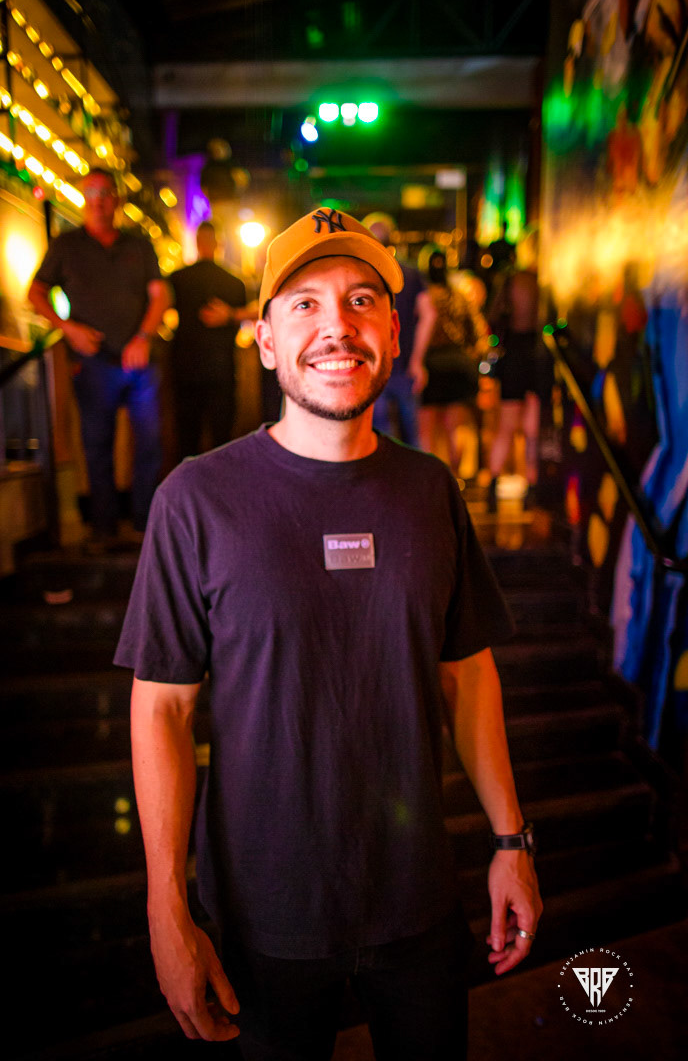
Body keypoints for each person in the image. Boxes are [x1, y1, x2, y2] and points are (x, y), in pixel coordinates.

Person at [115, 207, 542, 1060]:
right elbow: (161, 709)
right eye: (304, 304)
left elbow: (468, 673)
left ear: (393, 331)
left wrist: (511, 840)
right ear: (266, 341)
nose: (336, 327)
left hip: (418, 899)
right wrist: (167, 906)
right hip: (264, 916)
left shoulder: (430, 489)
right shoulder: (196, 500)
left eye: (360, 300)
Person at [29, 168, 171, 551]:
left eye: (105, 192)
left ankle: (145, 525)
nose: (98, 200)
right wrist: (68, 328)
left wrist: (143, 337)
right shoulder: (66, 245)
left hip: (139, 360)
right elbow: (36, 292)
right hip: (92, 361)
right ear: (83, 198)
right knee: (96, 445)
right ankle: (104, 528)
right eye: (91, 192)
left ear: (117, 200)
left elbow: (160, 295)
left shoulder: (138, 244)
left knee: (150, 442)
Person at [169, 222, 247, 457]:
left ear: (197, 243)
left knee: (187, 438)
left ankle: (188, 480)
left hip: (185, 367)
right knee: (222, 438)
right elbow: (241, 328)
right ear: (218, 244)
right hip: (221, 368)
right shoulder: (234, 283)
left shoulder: (177, 279)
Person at [411, 250, 488, 478]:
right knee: (456, 429)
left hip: (429, 363)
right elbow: (479, 334)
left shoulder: (422, 297)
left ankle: (430, 480)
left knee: (426, 430)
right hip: (458, 363)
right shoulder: (460, 297)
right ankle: (455, 478)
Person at [365, 214, 436, 446]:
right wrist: (417, 360)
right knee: (413, 437)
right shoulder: (410, 272)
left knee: (380, 438)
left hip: (372, 367)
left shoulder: (363, 273)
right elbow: (429, 314)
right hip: (405, 364)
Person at [485, 231, 543, 511]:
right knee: (533, 427)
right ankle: (532, 485)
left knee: (506, 426)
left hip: (513, 355)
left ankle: (493, 483)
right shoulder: (544, 280)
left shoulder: (511, 280)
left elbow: (493, 316)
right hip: (539, 354)